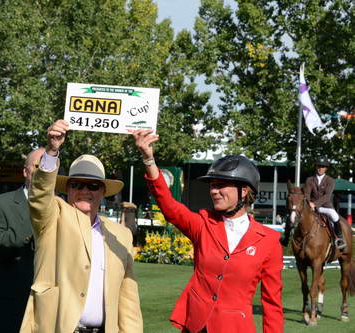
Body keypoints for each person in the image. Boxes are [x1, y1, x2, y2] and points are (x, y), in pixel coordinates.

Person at [133, 129, 283, 333]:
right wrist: (149, 159)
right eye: (212, 185)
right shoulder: (203, 224)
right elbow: (169, 207)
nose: (213, 191)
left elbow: (272, 304)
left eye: (221, 185)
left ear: (244, 191)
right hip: (195, 326)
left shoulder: (269, 241)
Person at [20, 119, 142, 333]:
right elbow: (39, 196)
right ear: (66, 188)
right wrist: (51, 151)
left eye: (93, 186)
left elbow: (127, 297)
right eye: (77, 184)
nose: (85, 190)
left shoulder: (120, 234)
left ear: (103, 192)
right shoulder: (52, 217)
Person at [0, 148, 45, 333]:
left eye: (49, 168)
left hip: (48, 311)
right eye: (38, 166)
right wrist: (37, 216)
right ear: (25, 171)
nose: (43, 172)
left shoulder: (64, 208)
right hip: (5, 309)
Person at [303, 156, 345, 249]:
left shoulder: (330, 180)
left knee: (334, 215)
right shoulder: (309, 180)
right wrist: (309, 202)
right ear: (316, 166)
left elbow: (327, 196)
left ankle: (340, 238)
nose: (320, 168)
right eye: (318, 166)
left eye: (322, 166)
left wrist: (315, 204)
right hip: (311, 207)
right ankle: (287, 236)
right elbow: (306, 193)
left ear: (326, 168)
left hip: (325, 207)